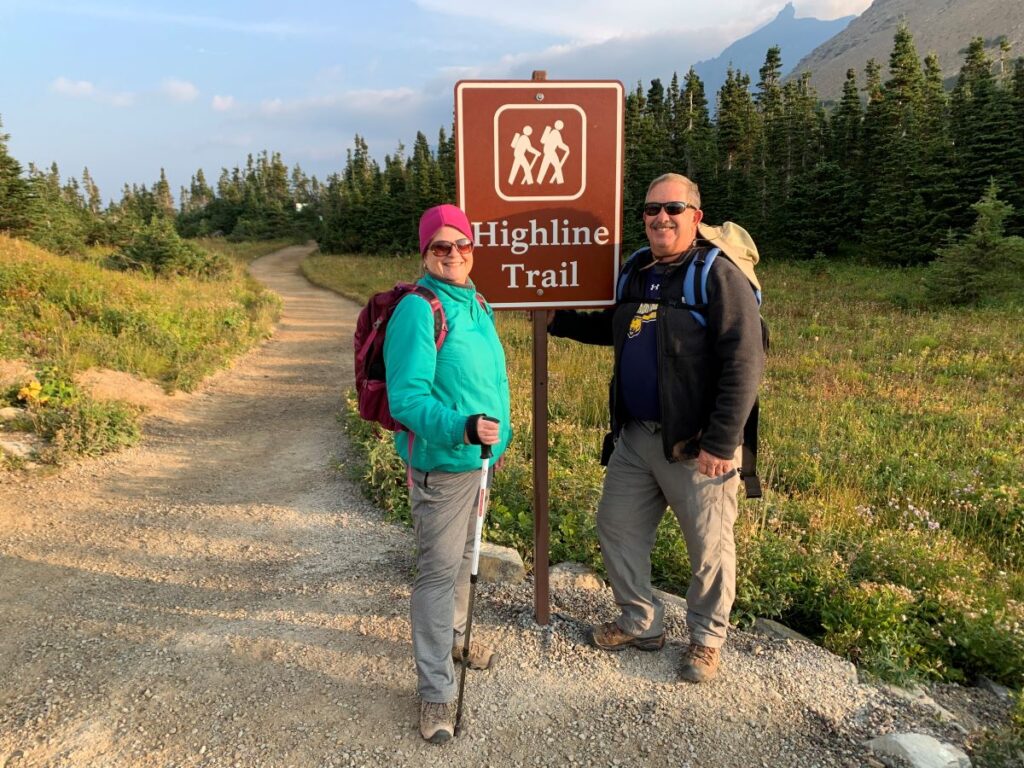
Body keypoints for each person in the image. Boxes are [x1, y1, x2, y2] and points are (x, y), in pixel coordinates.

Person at [548, 173, 764, 683]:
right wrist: (560, 321)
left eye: (673, 208)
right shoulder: (636, 270)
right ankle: (641, 621)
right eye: (651, 210)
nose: (660, 217)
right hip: (637, 437)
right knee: (616, 526)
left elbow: (745, 361)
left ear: (696, 216)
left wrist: (721, 439)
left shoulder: (716, 274)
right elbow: (617, 327)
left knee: (709, 548)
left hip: (696, 445)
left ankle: (707, 639)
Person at [383, 203, 512, 743]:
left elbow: (491, 380)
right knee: (437, 575)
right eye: (441, 247)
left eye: (462, 245)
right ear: (425, 254)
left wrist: (496, 442)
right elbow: (405, 399)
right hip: (441, 464)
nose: (454, 255)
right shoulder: (419, 310)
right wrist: (463, 428)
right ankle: (436, 691)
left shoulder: (477, 302)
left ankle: (455, 639)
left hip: (478, 463)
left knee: (465, 557)